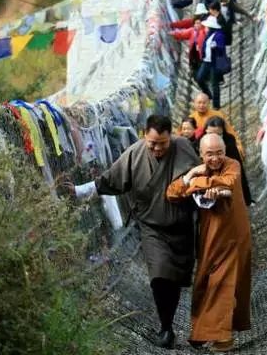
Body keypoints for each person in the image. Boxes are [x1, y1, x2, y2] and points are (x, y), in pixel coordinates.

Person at [67, 115, 200, 349]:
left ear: (171, 136)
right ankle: (166, 328)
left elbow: (201, 179)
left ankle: (168, 321)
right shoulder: (135, 153)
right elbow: (110, 180)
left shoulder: (182, 147)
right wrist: (79, 191)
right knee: (159, 275)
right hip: (152, 227)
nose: (157, 149)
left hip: (182, 228)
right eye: (152, 143)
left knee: (174, 279)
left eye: (162, 144)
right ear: (144, 136)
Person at [166, 133, 252, 352]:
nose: (215, 159)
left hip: (232, 236)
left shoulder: (232, 165)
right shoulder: (198, 169)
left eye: (219, 153)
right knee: (204, 282)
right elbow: (172, 193)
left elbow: (228, 183)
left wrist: (196, 184)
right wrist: (192, 175)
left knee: (223, 284)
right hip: (209, 238)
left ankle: (223, 338)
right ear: (201, 154)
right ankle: (202, 332)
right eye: (210, 154)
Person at [203, 115, 253, 205]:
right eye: (210, 134)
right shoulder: (200, 142)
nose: (214, 138)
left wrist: (247, 198)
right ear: (205, 131)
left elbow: (239, 171)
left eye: (218, 134)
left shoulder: (229, 141)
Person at [189, 92, 245, 158]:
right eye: (199, 103)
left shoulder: (218, 115)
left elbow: (229, 131)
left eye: (204, 103)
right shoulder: (191, 118)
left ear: (209, 103)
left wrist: (238, 145)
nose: (201, 105)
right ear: (194, 103)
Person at [169, 3, 209, 86]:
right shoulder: (198, 29)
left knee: (199, 76)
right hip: (199, 57)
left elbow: (182, 32)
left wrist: (172, 30)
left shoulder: (202, 30)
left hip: (201, 57)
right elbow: (183, 29)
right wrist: (172, 27)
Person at [195, 15, 227, 110]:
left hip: (215, 62)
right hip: (206, 60)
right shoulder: (209, 34)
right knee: (199, 78)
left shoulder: (219, 35)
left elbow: (222, 48)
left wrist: (216, 46)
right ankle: (208, 95)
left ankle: (216, 105)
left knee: (214, 83)